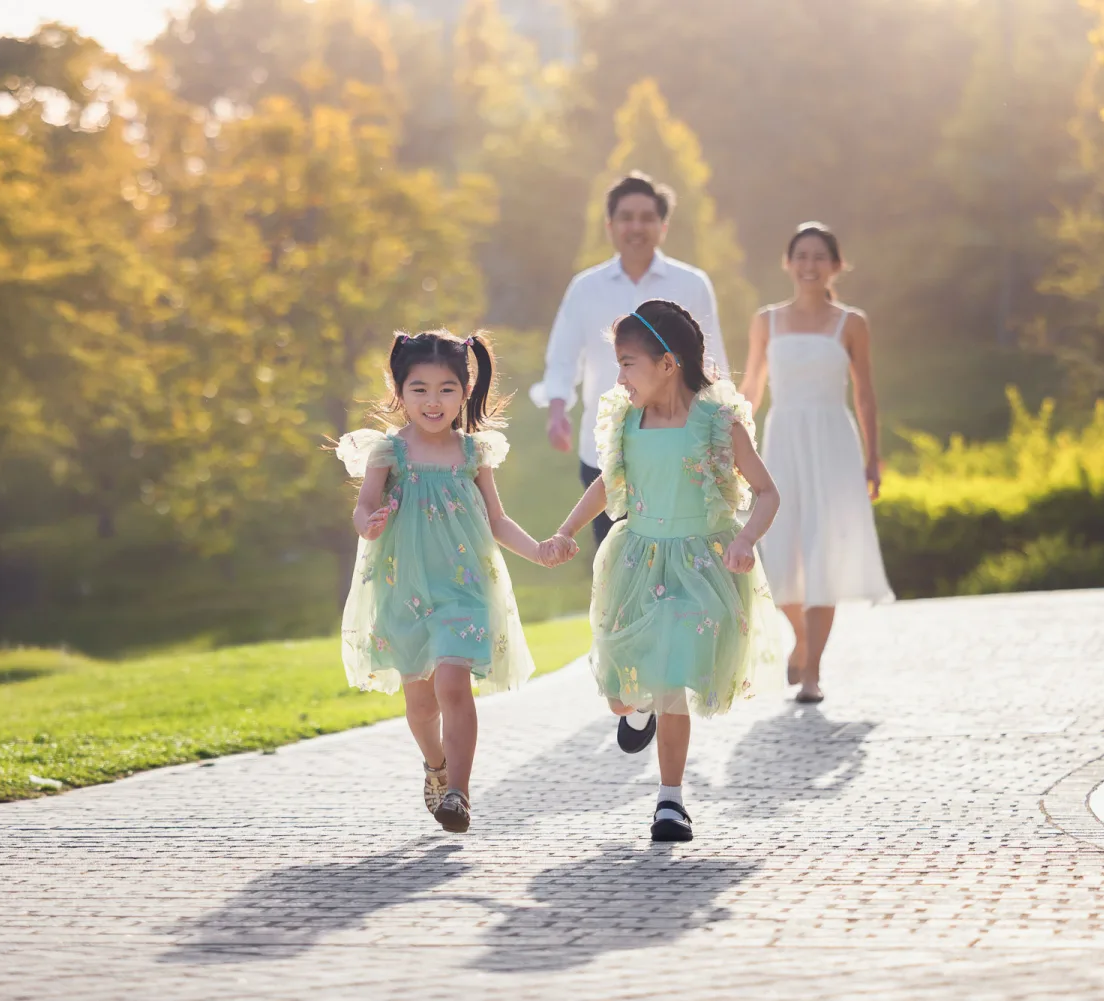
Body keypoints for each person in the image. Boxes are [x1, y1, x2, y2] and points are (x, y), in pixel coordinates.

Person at [539, 299, 788, 842]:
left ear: (667, 363)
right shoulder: (627, 420)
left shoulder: (716, 422)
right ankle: (635, 713)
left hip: (702, 563)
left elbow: (767, 493)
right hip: (639, 560)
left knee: (673, 681)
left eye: (628, 363)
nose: (621, 376)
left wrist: (747, 538)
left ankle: (670, 801)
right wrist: (565, 531)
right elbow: (607, 484)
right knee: (622, 691)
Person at [335, 330, 550, 834]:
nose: (434, 402)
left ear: (465, 391)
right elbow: (364, 504)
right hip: (405, 587)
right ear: (400, 389)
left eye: (447, 389)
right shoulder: (389, 452)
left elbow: (496, 519)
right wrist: (367, 521)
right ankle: (435, 765)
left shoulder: (474, 453)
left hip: (464, 585)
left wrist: (538, 550)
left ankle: (460, 793)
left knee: (454, 685)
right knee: (421, 701)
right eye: (420, 389)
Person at [737, 222, 893, 705]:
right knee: (780, 552)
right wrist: (731, 445)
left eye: (819, 257)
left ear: (835, 265)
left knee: (823, 553)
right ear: (788, 263)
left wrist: (873, 458)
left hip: (833, 446)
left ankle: (812, 674)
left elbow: (864, 394)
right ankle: (801, 643)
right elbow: (752, 390)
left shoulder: (853, 323)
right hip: (782, 441)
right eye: (800, 256)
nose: (809, 265)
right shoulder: (767, 320)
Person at [535, 172, 732, 548]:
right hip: (605, 448)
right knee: (617, 565)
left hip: (681, 447)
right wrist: (557, 410)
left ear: (663, 225)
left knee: (680, 556)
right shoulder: (585, 288)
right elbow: (562, 356)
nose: (636, 227)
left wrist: (722, 431)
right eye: (626, 217)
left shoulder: (692, 284)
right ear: (610, 225)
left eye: (646, 218)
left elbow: (713, 361)